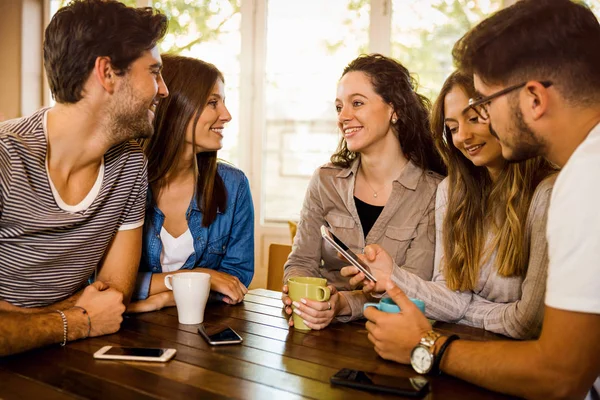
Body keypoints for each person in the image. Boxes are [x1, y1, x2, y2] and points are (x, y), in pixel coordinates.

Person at [362, 1, 600, 398]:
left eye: (486, 104)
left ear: (534, 99)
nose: (478, 124)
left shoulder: (584, 179)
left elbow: (560, 375)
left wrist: (429, 346)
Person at [0, 0, 168, 356]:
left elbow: (109, 298)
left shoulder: (129, 167)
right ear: (107, 72)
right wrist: (78, 320)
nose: (164, 90)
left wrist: (18, 322)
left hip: (67, 360)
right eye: (154, 72)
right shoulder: (5, 158)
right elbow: (94, 315)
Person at [344, 71, 557, 339]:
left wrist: (465, 311)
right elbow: (451, 299)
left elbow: (526, 322)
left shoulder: (546, 194)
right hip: (467, 347)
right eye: (453, 128)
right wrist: (392, 276)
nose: (463, 137)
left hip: (523, 361)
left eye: (474, 118)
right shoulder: (452, 192)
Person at [281, 54, 446, 330]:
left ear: (395, 110)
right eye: (338, 107)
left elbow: (416, 287)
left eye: (357, 103)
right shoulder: (325, 181)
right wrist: (299, 294)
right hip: (320, 333)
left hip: (395, 333)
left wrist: (344, 303)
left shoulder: (433, 193)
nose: (343, 117)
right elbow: (301, 261)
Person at [127, 55, 254, 313]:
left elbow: (234, 282)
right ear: (175, 108)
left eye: (223, 103)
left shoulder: (234, 185)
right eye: (212, 103)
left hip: (202, 331)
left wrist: (163, 297)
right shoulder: (125, 180)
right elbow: (101, 281)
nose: (226, 115)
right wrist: (198, 277)